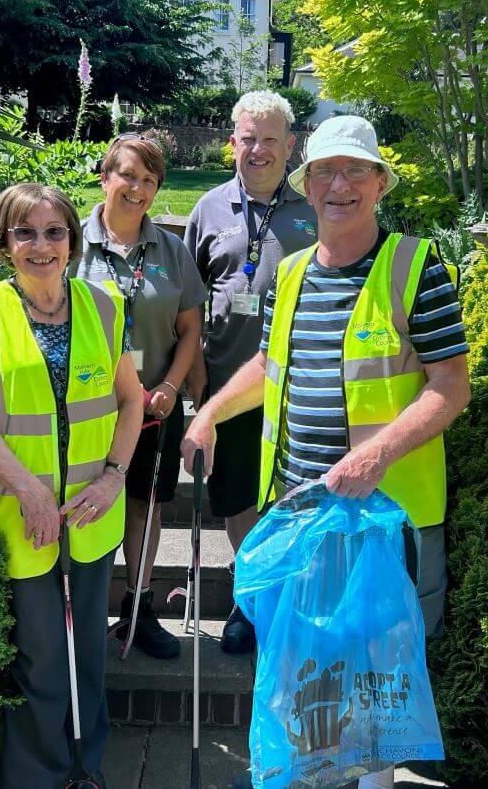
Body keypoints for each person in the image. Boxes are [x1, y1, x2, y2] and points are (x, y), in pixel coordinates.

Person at [180, 116, 471, 789]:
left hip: (385, 517)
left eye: (355, 171)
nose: (339, 186)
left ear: (379, 184)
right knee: (309, 670)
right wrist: (212, 416)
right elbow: (268, 362)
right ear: (306, 187)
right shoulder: (291, 272)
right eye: (324, 173)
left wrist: (378, 455)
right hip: (300, 513)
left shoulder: (413, 266)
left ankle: (373, 783)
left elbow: (450, 387)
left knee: (378, 672)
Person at [0, 183, 144, 788]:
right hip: (20, 513)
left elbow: (132, 400)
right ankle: (36, 775)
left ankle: (85, 767)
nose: (42, 245)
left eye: (54, 231)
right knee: (39, 656)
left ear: (72, 240)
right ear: (4, 243)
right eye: (24, 233)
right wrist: (30, 490)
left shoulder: (105, 305)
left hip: (90, 514)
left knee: (86, 650)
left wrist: (115, 477)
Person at [183, 90, 318, 655]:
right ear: (231, 144)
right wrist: (193, 380)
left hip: (302, 389)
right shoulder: (208, 209)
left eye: (269, 139)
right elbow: (186, 303)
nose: (257, 150)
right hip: (230, 387)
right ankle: (250, 596)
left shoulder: (316, 210)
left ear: (290, 146)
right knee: (237, 496)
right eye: (247, 138)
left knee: (292, 495)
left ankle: (292, 597)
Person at [70, 133, 206, 659]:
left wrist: (172, 386)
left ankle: (138, 605)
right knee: (87, 504)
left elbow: (191, 328)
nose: (138, 188)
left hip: (153, 409)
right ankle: (78, 609)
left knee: (144, 507)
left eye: (150, 180)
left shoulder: (172, 251)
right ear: (105, 178)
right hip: (86, 409)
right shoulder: (70, 243)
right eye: (128, 175)